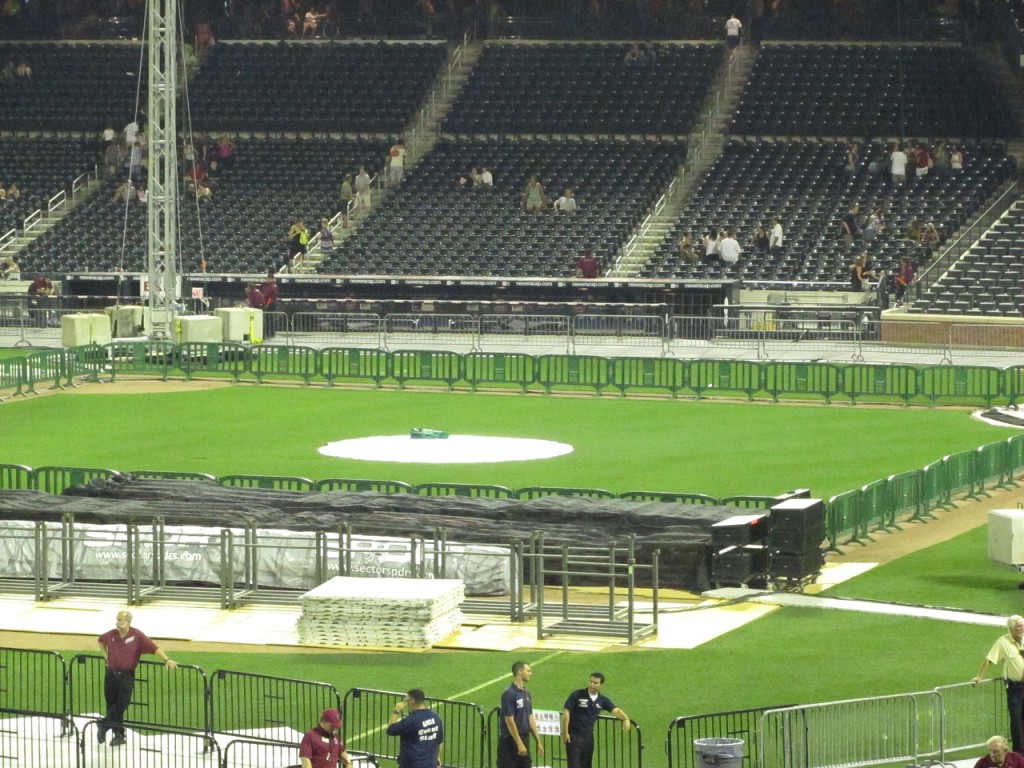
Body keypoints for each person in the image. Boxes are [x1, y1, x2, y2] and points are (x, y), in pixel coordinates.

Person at [97, 610, 178, 747]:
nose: (117, 622)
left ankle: (103, 725)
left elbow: (154, 648)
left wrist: (166, 659)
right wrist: (106, 657)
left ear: (128, 621)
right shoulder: (111, 634)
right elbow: (100, 641)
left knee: (123, 703)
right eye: (117, 619)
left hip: (126, 675)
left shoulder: (137, 635)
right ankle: (119, 735)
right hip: (111, 675)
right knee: (112, 705)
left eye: (120, 620)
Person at [974, 616, 1024, 754]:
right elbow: (989, 659)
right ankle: (1020, 753)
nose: (1022, 628)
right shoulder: (1003, 642)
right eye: (1019, 626)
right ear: (1011, 628)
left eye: (1023, 625)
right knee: (1016, 720)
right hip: (1016, 688)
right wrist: (980, 676)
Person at [561, 672, 631, 768]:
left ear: (601, 685)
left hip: (588, 738)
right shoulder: (577, 695)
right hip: (574, 736)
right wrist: (565, 732)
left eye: (595, 683)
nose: (592, 685)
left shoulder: (602, 700)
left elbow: (616, 710)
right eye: (591, 682)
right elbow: (566, 713)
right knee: (574, 765)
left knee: (587, 764)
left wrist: (626, 719)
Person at [498, 661, 543, 768]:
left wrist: (538, 741)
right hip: (510, 741)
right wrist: (519, 743)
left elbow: (530, 718)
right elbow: (509, 721)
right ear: (519, 672)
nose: (531, 673)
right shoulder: (509, 693)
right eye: (528, 671)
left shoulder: (526, 693)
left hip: (524, 738)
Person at [387, 688, 444, 768]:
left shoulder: (411, 720)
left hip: (412, 763)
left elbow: (390, 730)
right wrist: (437, 757)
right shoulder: (436, 717)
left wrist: (396, 711)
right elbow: (439, 742)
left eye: (407, 700)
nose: (406, 703)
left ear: (413, 701)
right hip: (430, 763)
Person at [261, 270, 279, 338]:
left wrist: (266, 304)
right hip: (271, 303)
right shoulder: (272, 285)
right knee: (270, 319)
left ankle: (270, 333)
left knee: (269, 319)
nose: (267, 280)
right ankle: (270, 333)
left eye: (267, 278)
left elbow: (267, 295)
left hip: (270, 304)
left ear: (270, 278)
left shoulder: (271, 286)